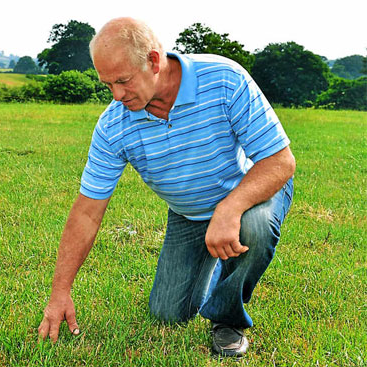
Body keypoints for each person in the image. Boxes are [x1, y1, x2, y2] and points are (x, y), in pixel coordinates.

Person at [38, 17, 295, 357]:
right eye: (107, 84)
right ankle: (217, 255)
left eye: (123, 81)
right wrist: (60, 291)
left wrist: (229, 209)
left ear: (154, 61)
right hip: (189, 214)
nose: (116, 95)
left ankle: (226, 319)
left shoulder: (223, 79)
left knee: (255, 227)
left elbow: (280, 163)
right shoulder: (113, 126)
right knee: (168, 313)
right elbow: (87, 212)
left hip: (250, 193)